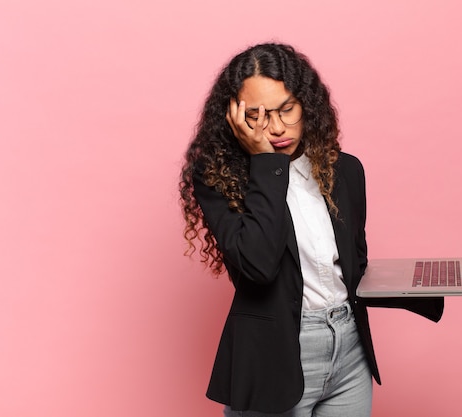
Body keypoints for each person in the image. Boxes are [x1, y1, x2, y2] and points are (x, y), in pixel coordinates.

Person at [179, 43, 445, 417]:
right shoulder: (220, 180)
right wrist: (266, 163)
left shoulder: (345, 172)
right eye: (257, 115)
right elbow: (257, 266)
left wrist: (432, 283)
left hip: (350, 354)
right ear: (235, 117)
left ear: (307, 103)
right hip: (277, 358)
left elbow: (353, 270)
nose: (275, 127)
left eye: (286, 109)